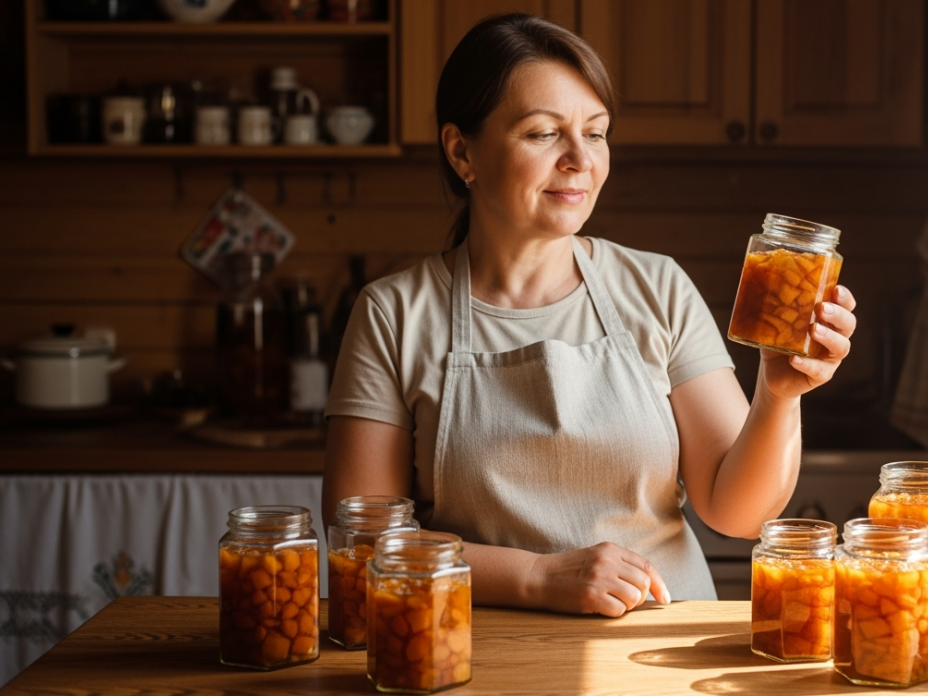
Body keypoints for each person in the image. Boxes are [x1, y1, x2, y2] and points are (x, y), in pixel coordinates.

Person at [322, 13, 858, 618]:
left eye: (596, 133)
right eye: (543, 133)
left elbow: (738, 512)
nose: (580, 159)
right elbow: (362, 543)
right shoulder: (393, 314)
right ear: (461, 151)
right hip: (472, 650)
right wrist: (535, 577)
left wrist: (779, 394)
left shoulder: (657, 287)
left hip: (658, 645)